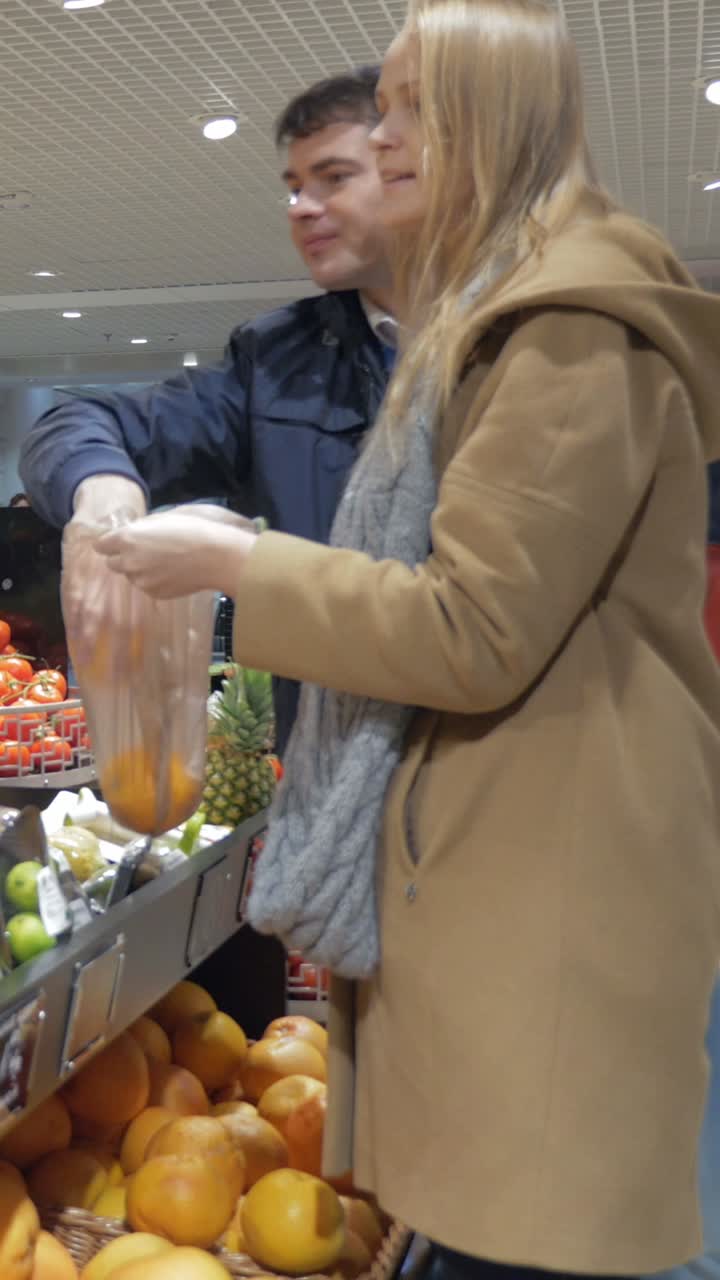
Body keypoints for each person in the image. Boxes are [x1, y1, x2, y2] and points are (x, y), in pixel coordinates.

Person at [93, 0, 720, 1277]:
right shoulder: (484, 317)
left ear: (490, 115)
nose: (378, 143)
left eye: (402, 110)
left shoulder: (566, 326)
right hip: (499, 861)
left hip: (546, 876)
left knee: (532, 1231)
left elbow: (473, 626)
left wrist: (234, 562)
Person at [19, 67, 395, 1037]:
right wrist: (103, 490)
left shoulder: (524, 358)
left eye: (333, 176)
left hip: (504, 825)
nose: (301, 207)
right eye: (292, 184)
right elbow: (84, 424)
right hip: (346, 838)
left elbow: (475, 616)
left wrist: (239, 565)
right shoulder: (282, 361)